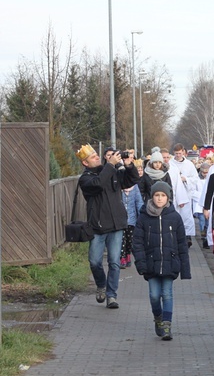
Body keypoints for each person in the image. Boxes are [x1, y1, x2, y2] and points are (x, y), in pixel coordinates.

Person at [77, 144, 140, 308]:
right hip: (97, 227)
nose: (97, 157)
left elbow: (131, 180)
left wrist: (128, 165)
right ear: (85, 163)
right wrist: (111, 165)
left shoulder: (112, 172)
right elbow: (98, 183)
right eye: (93, 157)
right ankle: (101, 285)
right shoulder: (86, 179)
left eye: (97, 155)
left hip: (116, 225)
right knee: (95, 262)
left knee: (114, 262)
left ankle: (111, 295)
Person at [132, 181, 191, 341]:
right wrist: (141, 263)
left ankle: (166, 325)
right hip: (151, 264)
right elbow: (137, 242)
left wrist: (185, 269)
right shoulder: (144, 218)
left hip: (169, 263)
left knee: (167, 294)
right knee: (154, 295)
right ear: (152, 197)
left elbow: (181, 244)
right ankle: (158, 317)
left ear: (168, 198)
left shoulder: (174, 217)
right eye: (157, 195)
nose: (159, 198)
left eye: (163, 195)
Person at [169, 143, 201, 244]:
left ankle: (187, 236)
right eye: (176, 153)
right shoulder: (170, 164)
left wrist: (185, 179)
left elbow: (195, 178)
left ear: (183, 152)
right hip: (174, 195)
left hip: (186, 194)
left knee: (186, 216)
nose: (178, 155)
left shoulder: (189, 165)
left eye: (180, 153)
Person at [120, 181, 144, 268]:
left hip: (132, 220)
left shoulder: (135, 188)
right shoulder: (119, 188)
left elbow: (139, 202)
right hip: (120, 220)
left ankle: (128, 255)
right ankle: (121, 258)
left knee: (130, 240)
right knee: (122, 240)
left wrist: (142, 217)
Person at [194, 161, 211, 248]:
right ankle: (203, 234)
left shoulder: (210, 179)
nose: (205, 174)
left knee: (208, 222)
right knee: (202, 220)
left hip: (208, 204)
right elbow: (193, 191)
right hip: (199, 203)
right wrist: (200, 198)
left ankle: (206, 235)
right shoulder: (197, 179)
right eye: (203, 172)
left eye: (206, 172)